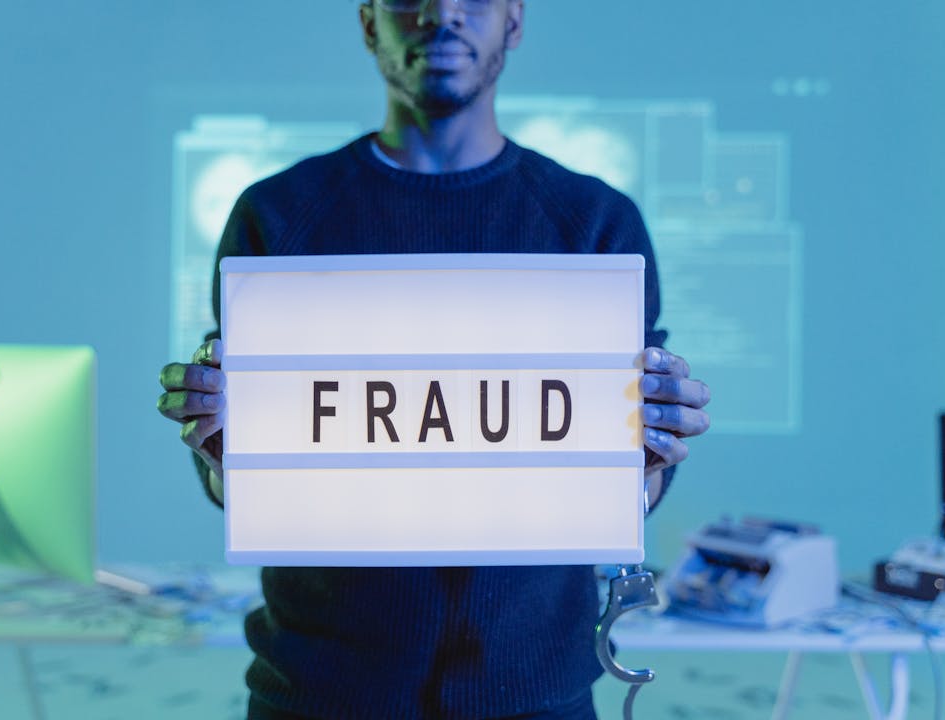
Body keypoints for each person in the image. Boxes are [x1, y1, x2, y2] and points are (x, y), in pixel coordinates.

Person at [158, 1, 711, 718]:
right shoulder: (279, 214)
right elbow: (239, 481)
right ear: (369, 24)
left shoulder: (594, 224)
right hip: (318, 690)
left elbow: (634, 483)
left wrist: (652, 459)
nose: (442, 14)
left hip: (534, 693)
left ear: (513, 21)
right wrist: (220, 449)